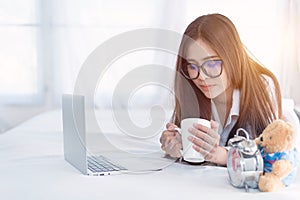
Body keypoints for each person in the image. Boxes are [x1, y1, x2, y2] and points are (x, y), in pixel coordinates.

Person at [159, 13, 283, 166]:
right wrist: (176, 145)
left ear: (232, 58)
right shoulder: (190, 88)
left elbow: (275, 157)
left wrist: (220, 155)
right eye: (192, 66)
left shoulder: (262, 86)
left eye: (211, 64)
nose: (201, 77)